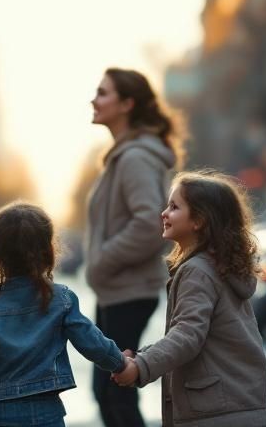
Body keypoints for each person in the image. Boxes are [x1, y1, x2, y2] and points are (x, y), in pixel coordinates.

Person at [111, 170, 266, 427]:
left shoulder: (198, 270)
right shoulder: (221, 268)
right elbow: (199, 335)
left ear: (199, 220)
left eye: (174, 207)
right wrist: (142, 355)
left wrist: (140, 367)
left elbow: (187, 336)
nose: (164, 213)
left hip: (213, 416)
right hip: (242, 409)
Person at [0, 202, 128, 427]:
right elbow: (92, 342)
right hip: (47, 411)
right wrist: (121, 364)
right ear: (48, 250)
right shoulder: (61, 299)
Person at [86, 67, 181, 426]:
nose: (94, 99)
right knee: (108, 393)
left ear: (127, 104)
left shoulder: (135, 158)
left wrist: (101, 262)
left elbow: (148, 223)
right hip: (117, 291)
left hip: (127, 290)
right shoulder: (124, 156)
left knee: (115, 393)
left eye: (103, 93)